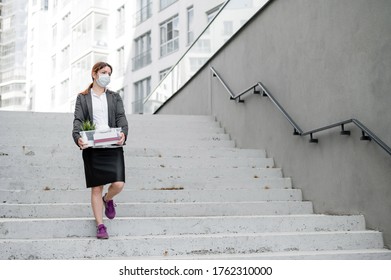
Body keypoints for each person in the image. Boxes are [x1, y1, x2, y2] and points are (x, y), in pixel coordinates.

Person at [72, 61, 128, 239]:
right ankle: (100, 225)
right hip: (93, 146)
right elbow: (78, 120)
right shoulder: (82, 97)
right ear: (94, 74)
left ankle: (108, 199)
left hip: (112, 144)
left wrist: (124, 133)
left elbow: (121, 117)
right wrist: (77, 137)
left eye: (110, 73)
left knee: (118, 184)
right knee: (96, 188)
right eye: (104, 72)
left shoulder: (114, 97)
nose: (107, 76)